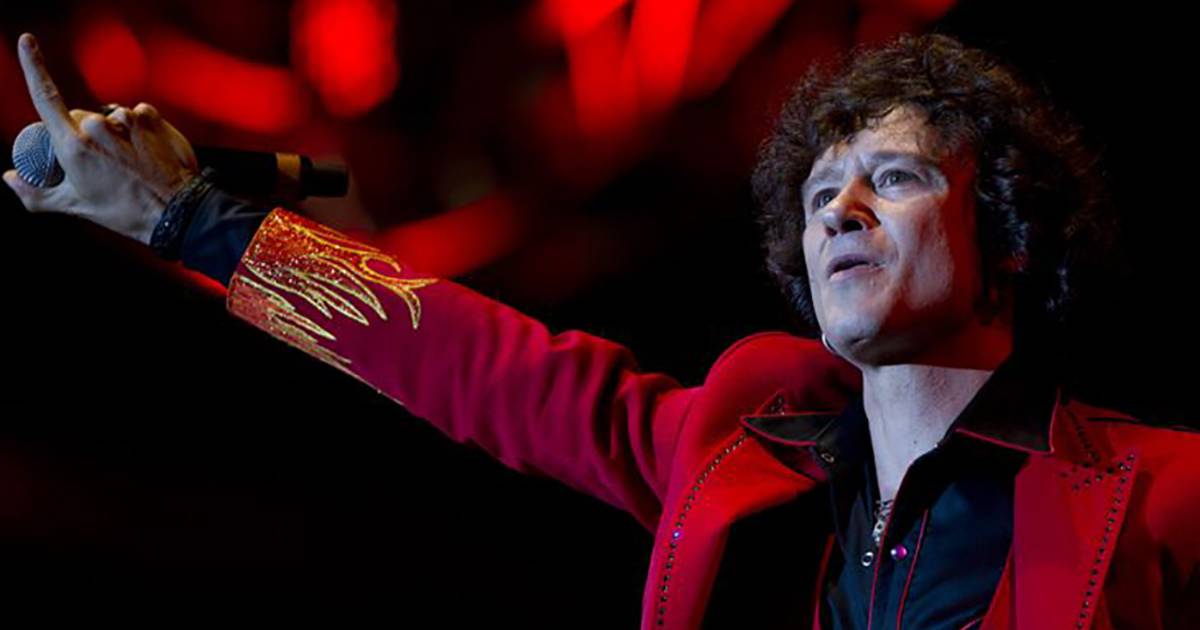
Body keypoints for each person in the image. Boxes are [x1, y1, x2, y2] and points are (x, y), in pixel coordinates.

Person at [5, 30, 1199, 629]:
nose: (839, 209)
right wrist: (188, 220)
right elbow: (477, 363)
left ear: (1009, 234)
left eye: (893, 180)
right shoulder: (745, 457)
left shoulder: (1165, 493)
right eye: (821, 190)